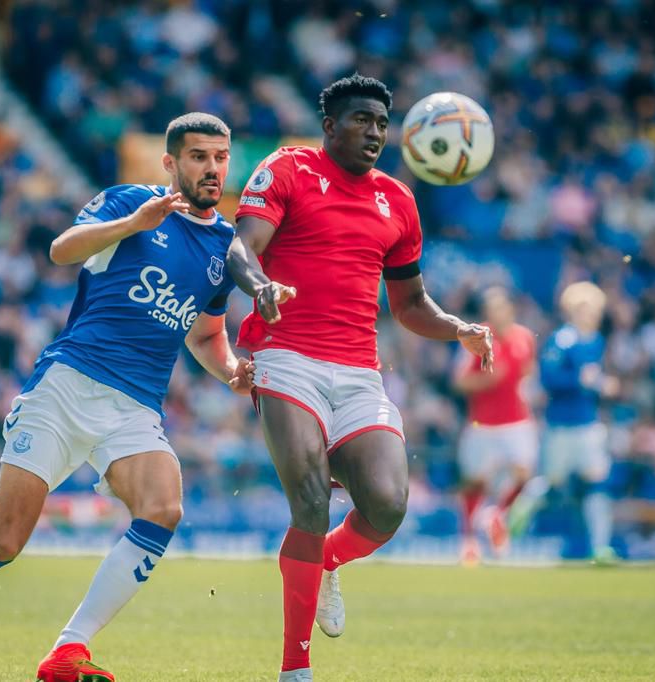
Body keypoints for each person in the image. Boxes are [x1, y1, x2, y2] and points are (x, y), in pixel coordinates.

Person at [0, 113, 254, 682]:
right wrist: (134, 222)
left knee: (163, 507)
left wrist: (232, 370)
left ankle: (67, 651)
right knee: (4, 541)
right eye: (199, 157)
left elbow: (206, 335)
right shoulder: (129, 201)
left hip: (134, 405)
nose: (212, 168)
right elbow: (62, 250)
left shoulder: (225, 248)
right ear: (171, 163)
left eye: (220, 157)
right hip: (67, 384)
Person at [226, 74, 494, 682]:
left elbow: (409, 304)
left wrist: (460, 328)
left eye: (381, 122)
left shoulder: (398, 199)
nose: (374, 132)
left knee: (388, 505)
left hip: (357, 371)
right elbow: (240, 247)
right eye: (361, 120)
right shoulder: (289, 168)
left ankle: (325, 565)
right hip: (286, 356)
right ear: (329, 125)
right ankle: (295, 668)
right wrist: (260, 285)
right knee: (312, 499)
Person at [517, 281, 619, 563]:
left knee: (597, 481)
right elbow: (548, 379)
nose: (593, 314)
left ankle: (600, 548)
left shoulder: (595, 340)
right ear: (573, 310)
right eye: (587, 308)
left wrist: (600, 384)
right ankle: (519, 513)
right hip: (562, 425)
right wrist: (581, 381)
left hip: (588, 424)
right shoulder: (563, 340)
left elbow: (590, 380)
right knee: (551, 482)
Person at [451, 287, 537, 563]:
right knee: (475, 482)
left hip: (517, 420)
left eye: (500, 308)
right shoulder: (476, 338)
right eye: (490, 309)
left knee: (524, 474)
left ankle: (496, 515)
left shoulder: (524, 337)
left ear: (510, 310)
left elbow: (528, 371)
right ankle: (469, 541)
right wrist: (488, 381)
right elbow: (459, 381)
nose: (495, 314)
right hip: (483, 423)